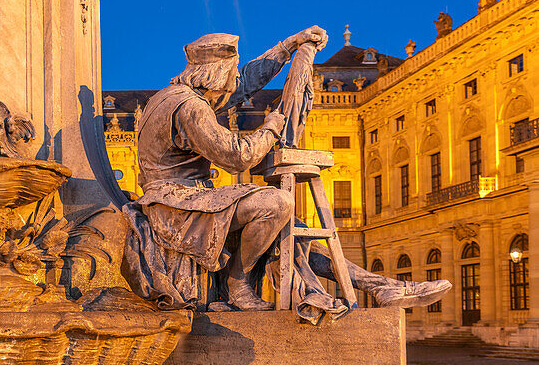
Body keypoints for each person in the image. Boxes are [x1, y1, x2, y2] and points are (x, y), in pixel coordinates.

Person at [123, 30, 450, 320]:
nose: (234, 82)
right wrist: (271, 127)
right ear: (215, 73)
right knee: (277, 204)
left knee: (295, 231)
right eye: (230, 75)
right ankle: (238, 284)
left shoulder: (175, 96)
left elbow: (249, 80)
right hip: (176, 206)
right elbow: (238, 158)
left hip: (186, 200)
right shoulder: (190, 108)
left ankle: (382, 287)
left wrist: (288, 46)